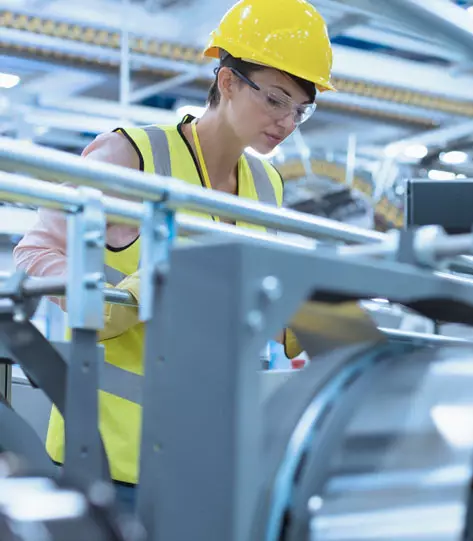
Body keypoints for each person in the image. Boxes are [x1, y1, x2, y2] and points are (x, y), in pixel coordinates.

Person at [13, 0, 335, 512]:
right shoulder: (131, 157)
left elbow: (258, 297)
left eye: (300, 109)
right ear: (227, 81)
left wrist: (315, 313)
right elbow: (35, 251)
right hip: (106, 458)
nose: (287, 121)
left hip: (206, 456)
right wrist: (104, 297)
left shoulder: (268, 185)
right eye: (276, 99)